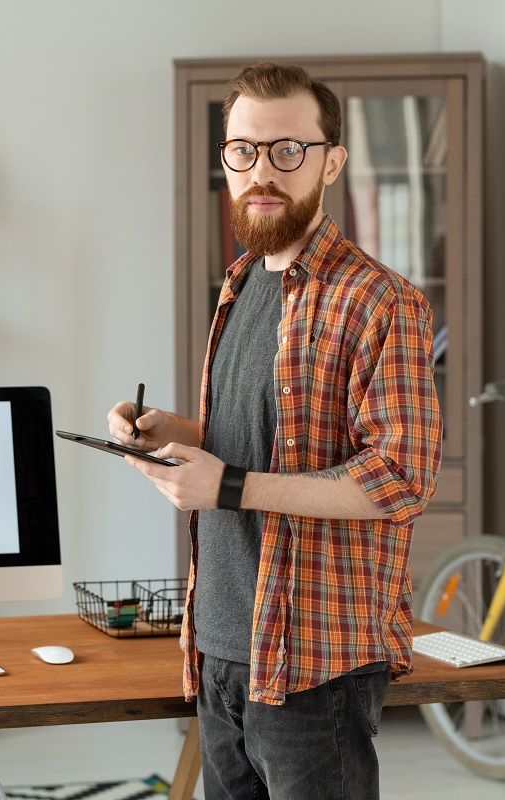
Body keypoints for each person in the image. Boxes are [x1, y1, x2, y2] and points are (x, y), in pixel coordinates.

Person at [106, 61, 442, 799]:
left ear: (331, 163)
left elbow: (399, 480)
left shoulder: (381, 302)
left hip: (314, 661)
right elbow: (266, 438)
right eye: (243, 151)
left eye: (287, 151)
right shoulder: (240, 282)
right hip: (222, 648)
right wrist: (172, 430)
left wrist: (224, 485)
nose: (262, 171)